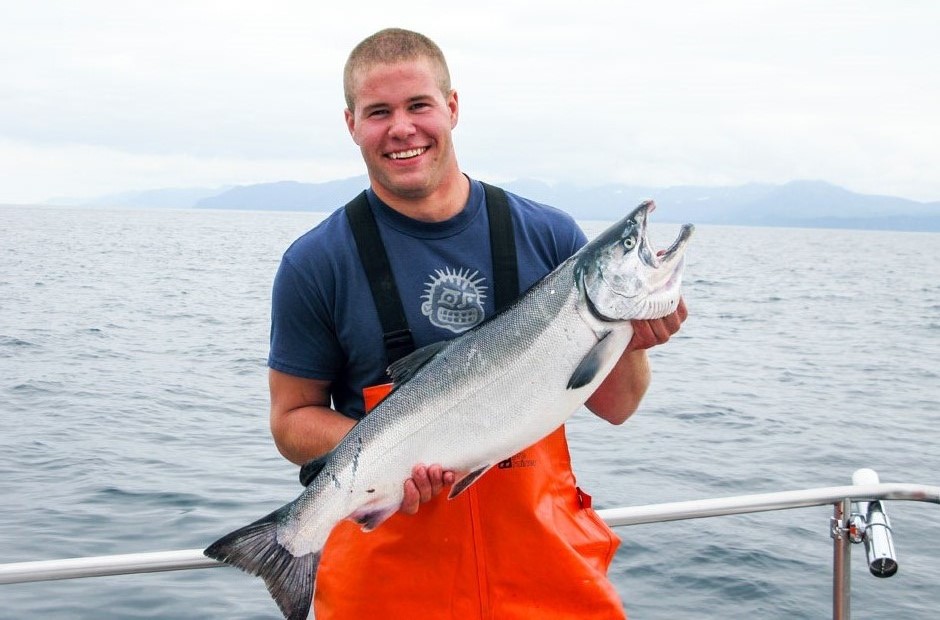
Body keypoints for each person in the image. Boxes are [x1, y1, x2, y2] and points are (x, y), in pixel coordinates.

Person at [267, 27, 687, 619]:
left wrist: (635, 338)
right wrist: (396, 456)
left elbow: (615, 406)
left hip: (547, 580)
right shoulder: (316, 263)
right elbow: (290, 423)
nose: (402, 128)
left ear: (453, 107)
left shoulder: (550, 236)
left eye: (419, 105)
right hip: (388, 590)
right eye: (378, 111)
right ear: (351, 124)